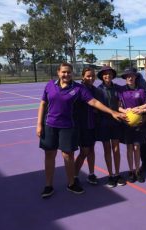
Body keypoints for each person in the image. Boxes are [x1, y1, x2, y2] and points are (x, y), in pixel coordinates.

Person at [37, 63, 125, 198]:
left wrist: (112, 112)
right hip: (49, 125)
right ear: (58, 72)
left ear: (72, 74)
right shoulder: (50, 85)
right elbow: (43, 103)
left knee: (68, 156)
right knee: (49, 155)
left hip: (68, 126)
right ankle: (48, 185)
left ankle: (71, 183)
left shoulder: (78, 88)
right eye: (64, 72)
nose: (66, 75)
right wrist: (39, 124)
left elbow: (94, 102)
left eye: (69, 72)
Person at [96, 65, 126, 188]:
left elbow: (122, 100)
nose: (107, 76)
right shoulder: (98, 90)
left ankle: (117, 174)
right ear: (102, 76)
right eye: (105, 74)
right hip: (103, 123)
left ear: (113, 75)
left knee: (116, 149)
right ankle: (110, 175)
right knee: (107, 149)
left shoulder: (118, 89)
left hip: (116, 123)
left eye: (109, 73)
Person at [118, 67, 146, 183]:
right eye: (127, 76)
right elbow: (118, 106)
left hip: (139, 125)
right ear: (125, 78)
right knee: (129, 148)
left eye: (132, 75)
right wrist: (124, 111)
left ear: (136, 77)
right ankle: (131, 171)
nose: (130, 78)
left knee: (137, 147)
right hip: (127, 124)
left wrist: (142, 115)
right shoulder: (121, 91)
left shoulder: (141, 91)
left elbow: (145, 107)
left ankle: (137, 171)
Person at [74, 67, 100, 185]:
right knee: (84, 151)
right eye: (88, 76)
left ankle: (91, 174)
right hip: (82, 126)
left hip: (93, 125)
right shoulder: (78, 89)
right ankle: (74, 175)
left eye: (93, 76)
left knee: (91, 150)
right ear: (82, 77)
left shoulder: (95, 90)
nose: (91, 78)